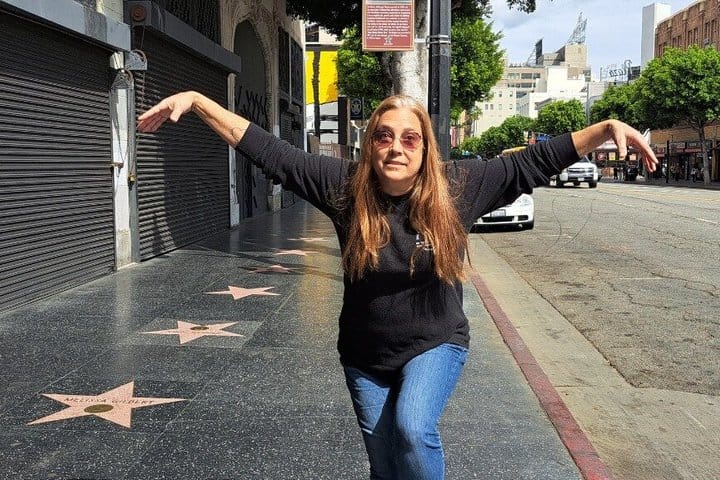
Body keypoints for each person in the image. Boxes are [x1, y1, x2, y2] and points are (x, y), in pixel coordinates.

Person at [137, 91, 658, 480]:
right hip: (364, 355)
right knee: (385, 464)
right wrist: (199, 101)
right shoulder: (345, 188)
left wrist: (606, 127)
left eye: (410, 138)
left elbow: (532, 162)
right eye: (384, 136)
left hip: (435, 342)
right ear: (370, 145)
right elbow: (267, 150)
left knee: (412, 428)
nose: (396, 147)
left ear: (425, 146)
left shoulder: (458, 187)